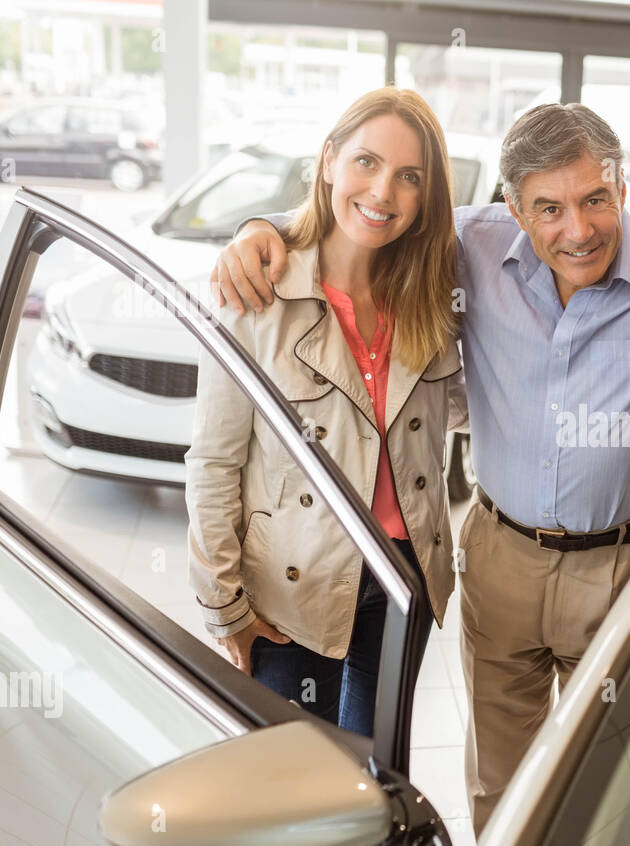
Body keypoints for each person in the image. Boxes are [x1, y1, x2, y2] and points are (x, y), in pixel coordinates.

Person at [209, 102, 630, 833]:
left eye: (594, 199)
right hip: (500, 556)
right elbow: (368, 218)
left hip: (626, 570)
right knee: (500, 784)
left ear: (621, 189)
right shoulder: (473, 245)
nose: (578, 230)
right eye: (549, 208)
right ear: (514, 209)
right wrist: (265, 230)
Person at [186, 87, 466, 758]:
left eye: (409, 177)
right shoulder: (259, 292)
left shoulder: (433, 296)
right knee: (290, 782)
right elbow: (214, 461)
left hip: (404, 581)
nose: (384, 191)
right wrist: (225, 605)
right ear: (329, 160)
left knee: (374, 779)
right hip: (293, 590)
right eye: (366, 163)